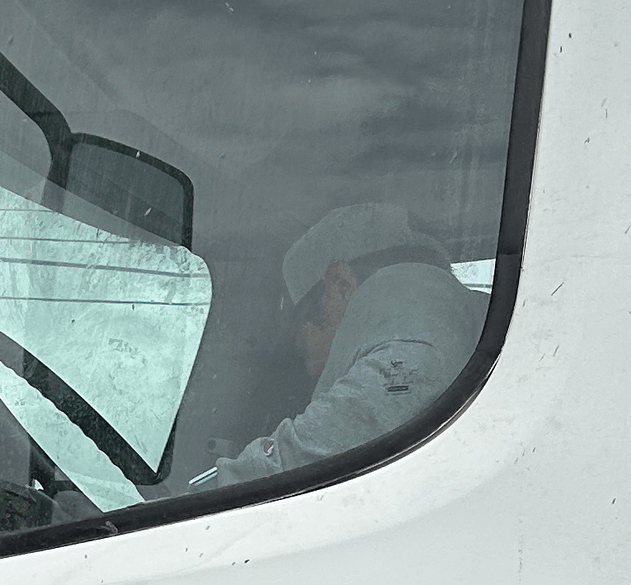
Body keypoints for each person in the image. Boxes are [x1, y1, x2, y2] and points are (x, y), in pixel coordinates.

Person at [195, 200, 484, 489]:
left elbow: (281, 469)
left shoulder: (408, 354)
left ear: (340, 285)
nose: (305, 361)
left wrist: (193, 499)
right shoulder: (485, 322)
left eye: (299, 325)